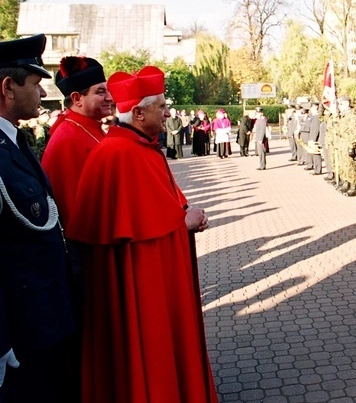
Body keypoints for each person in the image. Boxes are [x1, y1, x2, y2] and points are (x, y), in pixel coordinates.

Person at [66, 65, 217, 403]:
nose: (167, 113)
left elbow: (151, 216)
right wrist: (184, 223)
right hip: (144, 291)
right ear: (137, 112)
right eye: (160, 106)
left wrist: (179, 217)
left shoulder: (135, 146)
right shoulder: (121, 153)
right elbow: (143, 235)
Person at [0, 34, 75, 402]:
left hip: (44, 320)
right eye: (36, 83)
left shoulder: (14, 142)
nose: (43, 94)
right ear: (8, 88)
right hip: (21, 332)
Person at [41, 55, 113, 400]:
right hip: (87, 264)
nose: (110, 98)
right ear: (76, 99)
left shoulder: (90, 131)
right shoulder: (70, 139)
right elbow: (80, 219)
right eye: (101, 91)